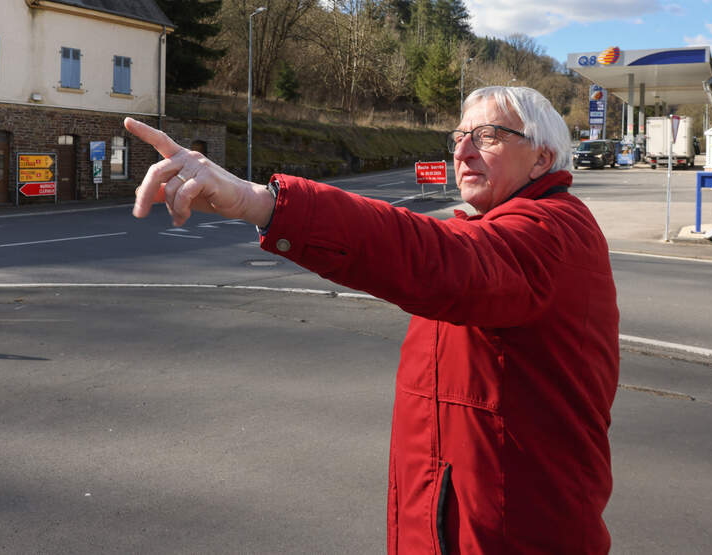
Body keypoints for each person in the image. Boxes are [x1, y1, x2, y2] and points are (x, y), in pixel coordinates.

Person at [124, 85, 619, 554]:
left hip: (510, 534)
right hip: (454, 521)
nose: (464, 151)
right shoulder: (500, 227)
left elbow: (433, 257)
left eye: (489, 136)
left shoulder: (551, 231)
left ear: (543, 158)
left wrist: (262, 203)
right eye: (460, 136)